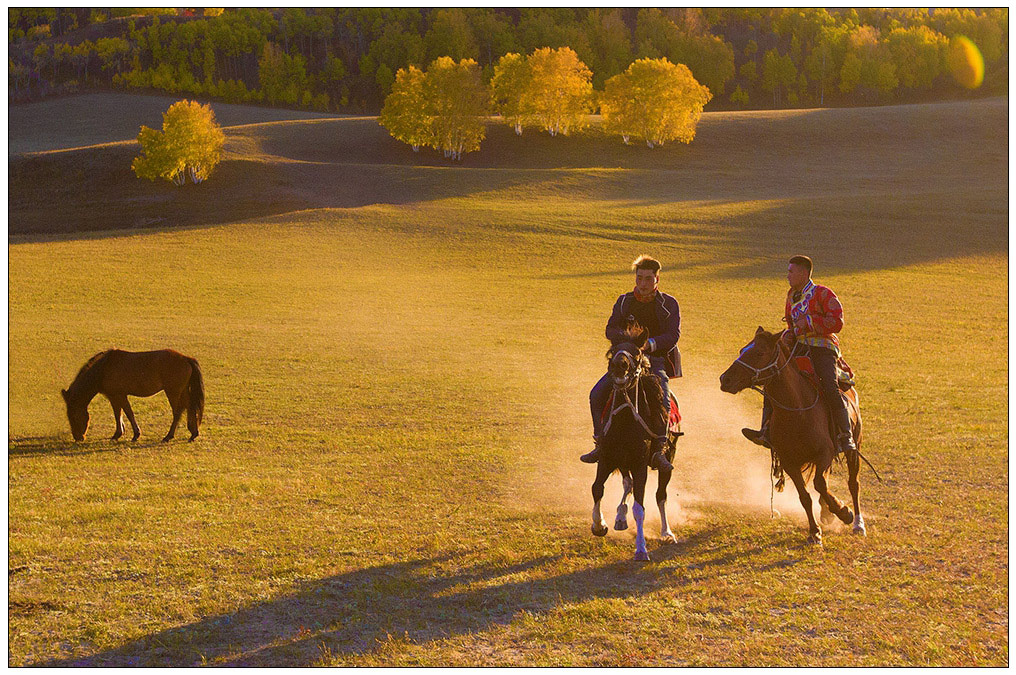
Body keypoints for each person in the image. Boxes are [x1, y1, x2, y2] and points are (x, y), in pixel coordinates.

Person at [742, 255, 857, 456]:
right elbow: (791, 325)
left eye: (791, 271)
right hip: (798, 347)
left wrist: (810, 322)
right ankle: (766, 430)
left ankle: (845, 435)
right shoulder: (791, 296)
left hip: (822, 347)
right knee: (774, 378)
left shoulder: (823, 293)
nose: (787, 275)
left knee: (829, 385)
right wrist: (786, 336)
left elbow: (837, 322)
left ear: (803, 273)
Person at [581, 254, 681, 471]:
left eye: (648, 279)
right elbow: (610, 329)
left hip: (654, 361)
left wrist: (649, 344)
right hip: (625, 362)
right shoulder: (624, 301)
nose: (643, 284)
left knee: (663, 398)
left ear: (657, 280)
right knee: (596, 394)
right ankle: (600, 443)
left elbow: (673, 335)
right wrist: (628, 342)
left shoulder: (669, 304)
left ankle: (659, 449)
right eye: (639, 278)